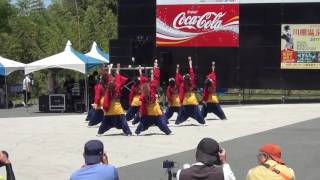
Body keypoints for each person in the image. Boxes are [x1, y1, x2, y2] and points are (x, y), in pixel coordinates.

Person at [135, 60, 173, 135]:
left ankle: (137, 131)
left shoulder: (144, 92)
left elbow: (143, 80)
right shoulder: (152, 88)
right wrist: (155, 67)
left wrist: (140, 71)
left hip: (148, 113)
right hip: (155, 112)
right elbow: (155, 78)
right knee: (161, 123)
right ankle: (168, 132)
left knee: (143, 123)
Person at [97, 63, 132, 136]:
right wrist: (117, 70)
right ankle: (128, 132)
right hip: (117, 107)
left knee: (105, 121)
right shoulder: (117, 87)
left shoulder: (108, 88)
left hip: (109, 107)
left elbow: (109, 78)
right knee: (123, 120)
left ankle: (100, 132)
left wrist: (109, 69)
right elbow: (118, 79)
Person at [175, 57, 206, 126]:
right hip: (193, 101)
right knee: (197, 112)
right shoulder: (191, 82)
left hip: (186, 102)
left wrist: (180, 101)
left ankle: (177, 122)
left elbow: (181, 93)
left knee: (182, 112)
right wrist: (190, 63)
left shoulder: (183, 84)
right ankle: (203, 122)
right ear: (189, 78)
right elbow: (192, 73)